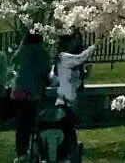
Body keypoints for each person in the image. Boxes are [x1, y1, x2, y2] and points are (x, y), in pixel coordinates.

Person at [8, 30, 52, 161]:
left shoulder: (22, 50)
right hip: (32, 92)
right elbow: (46, 69)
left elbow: (14, 61)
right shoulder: (41, 51)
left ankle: (21, 152)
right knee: (33, 123)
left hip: (18, 91)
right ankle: (35, 151)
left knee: (21, 124)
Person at [53, 32, 96, 160]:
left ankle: (68, 156)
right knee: (68, 136)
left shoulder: (69, 63)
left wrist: (86, 73)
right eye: (72, 41)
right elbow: (80, 58)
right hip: (64, 104)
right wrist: (94, 46)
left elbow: (73, 81)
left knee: (70, 136)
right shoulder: (64, 57)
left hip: (70, 105)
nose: (75, 43)